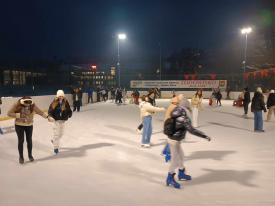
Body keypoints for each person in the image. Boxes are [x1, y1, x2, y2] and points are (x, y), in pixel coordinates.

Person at [165, 98, 211, 189]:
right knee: (174, 160)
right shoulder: (184, 117)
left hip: (173, 139)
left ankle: (181, 173)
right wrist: (204, 136)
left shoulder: (175, 111)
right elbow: (192, 130)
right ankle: (169, 178)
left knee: (181, 156)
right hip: (174, 141)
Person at [7, 96, 54, 164]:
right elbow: (9, 113)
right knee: (21, 140)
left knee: (29, 140)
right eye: (26, 102)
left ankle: (30, 155)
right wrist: (19, 115)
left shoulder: (32, 105)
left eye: (29, 102)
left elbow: (40, 112)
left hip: (29, 125)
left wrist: (47, 117)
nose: (28, 104)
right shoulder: (17, 105)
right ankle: (21, 157)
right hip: (19, 125)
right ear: (22, 101)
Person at [48, 90, 72, 154]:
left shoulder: (65, 102)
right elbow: (50, 110)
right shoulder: (54, 102)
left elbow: (69, 108)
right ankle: (56, 148)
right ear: (57, 96)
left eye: (62, 96)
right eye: (59, 96)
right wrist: (50, 116)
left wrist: (70, 114)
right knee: (56, 134)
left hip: (63, 120)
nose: (61, 97)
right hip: (56, 120)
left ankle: (53, 140)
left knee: (61, 134)